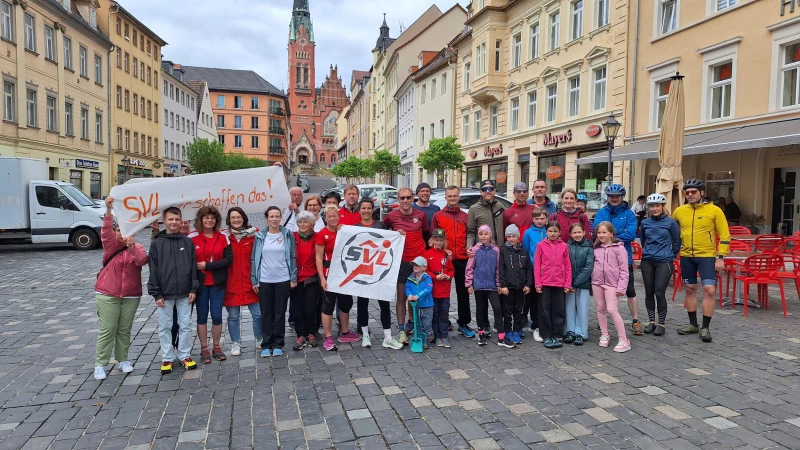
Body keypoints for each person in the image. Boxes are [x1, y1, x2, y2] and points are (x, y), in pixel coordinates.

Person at [93, 196, 148, 380]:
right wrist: (109, 210)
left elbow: (142, 261)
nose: (121, 234)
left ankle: (123, 360)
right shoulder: (111, 246)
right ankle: (100, 364)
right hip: (108, 294)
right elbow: (105, 231)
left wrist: (132, 247)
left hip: (131, 295)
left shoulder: (138, 247)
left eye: (125, 231)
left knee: (124, 329)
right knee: (108, 329)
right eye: (118, 230)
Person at [672, 179, 730, 343]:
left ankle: (705, 327)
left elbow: (725, 235)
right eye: (687, 192)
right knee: (690, 289)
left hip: (707, 256)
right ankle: (693, 324)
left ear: (702, 193)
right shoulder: (679, 211)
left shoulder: (715, 210)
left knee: (709, 290)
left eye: (693, 192)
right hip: (686, 256)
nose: (690, 195)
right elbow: (671, 231)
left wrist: (721, 257)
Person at [149, 207, 198, 374]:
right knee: (165, 326)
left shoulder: (188, 242)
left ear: (181, 220)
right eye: (170, 219)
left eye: (177, 219)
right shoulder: (157, 243)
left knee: (185, 325)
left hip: (185, 292)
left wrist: (193, 288)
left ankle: (184, 354)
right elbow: (153, 269)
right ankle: (167, 357)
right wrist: (156, 292)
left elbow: (193, 268)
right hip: (165, 293)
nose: (174, 222)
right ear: (165, 220)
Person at [384, 187, 431, 344]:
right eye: (402, 198)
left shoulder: (421, 215)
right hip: (401, 262)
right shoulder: (391, 217)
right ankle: (401, 329)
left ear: (413, 199)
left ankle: (417, 324)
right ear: (398, 199)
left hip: (418, 262)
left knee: (418, 296)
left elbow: (426, 235)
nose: (405, 200)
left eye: (408, 197)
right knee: (402, 296)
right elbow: (382, 235)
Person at [593, 184, 641, 335]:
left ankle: (635, 320)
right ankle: (605, 322)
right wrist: (619, 232)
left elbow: (631, 234)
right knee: (605, 290)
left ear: (622, 197)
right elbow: (597, 233)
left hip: (623, 258)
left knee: (630, 290)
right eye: (612, 196)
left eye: (617, 196)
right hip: (604, 260)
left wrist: (609, 236)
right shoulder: (601, 213)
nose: (614, 199)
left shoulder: (629, 214)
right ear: (608, 197)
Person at [355, 199, 403, 350]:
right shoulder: (354, 228)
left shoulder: (380, 225)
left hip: (380, 272)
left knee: (384, 304)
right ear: (359, 210)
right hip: (363, 272)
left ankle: (388, 337)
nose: (366, 211)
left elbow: (389, 241)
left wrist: (398, 235)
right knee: (362, 304)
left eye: (369, 208)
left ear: (372, 210)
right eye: (364, 208)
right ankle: (365, 335)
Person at [189, 206, 233, 364]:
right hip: (200, 285)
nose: (209, 220)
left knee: (217, 315)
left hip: (217, 283)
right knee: (201, 316)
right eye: (206, 217)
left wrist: (208, 266)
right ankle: (203, 348)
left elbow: (229, 259)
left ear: (216, 220)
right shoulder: (192, 237)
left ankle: (216, 346)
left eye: (212, 218)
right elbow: (188, 262)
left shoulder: (223, 237)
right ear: (201, 220)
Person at [431, 186, 475, 338]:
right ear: (445, 197)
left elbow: (471, 235)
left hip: (463, 259)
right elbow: (434, 239)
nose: (452, 198)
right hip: (445, 260)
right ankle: (441, 323)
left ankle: (463, 323)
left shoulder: (465, 216)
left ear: (459, 197)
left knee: (463, 293)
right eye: (449, 196)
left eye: (455, 196)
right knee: (442, 293)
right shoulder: (438, 215)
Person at [252, 206, 297, 358]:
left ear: (280, 218)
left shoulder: (287, 234)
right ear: (267, 218)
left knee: (279, 313)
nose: (275, 219)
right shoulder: (260, 236)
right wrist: (254, 279)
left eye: (277, 216)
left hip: (283, 279)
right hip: (265, 279)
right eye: (272, 216)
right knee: (266, 313)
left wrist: (293, 278)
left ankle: (278, 343)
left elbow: (292, 257)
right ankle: (266, 344)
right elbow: (254, 259)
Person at [317, 205, 361, 351]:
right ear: (325, 218)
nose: (332, 218)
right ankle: (328, 337)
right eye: (329, 216)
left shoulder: (344, 231)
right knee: (328, 305)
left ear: (338, 217)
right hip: (329, 274)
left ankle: (344, 332)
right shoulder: (322, 234)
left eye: (334, 216)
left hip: (344, 274)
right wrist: (322, 278)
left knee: (345, 303)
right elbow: (318, 257)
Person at [466, 225, 514, 348]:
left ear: (490, 235)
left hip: (492, 286)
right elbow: (470, 268)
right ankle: (481, 334)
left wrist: (498, 284)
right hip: (479, 285)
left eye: (485, 234)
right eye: (481, 234)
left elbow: (498, 268)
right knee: (481, 309)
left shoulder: (495, 250)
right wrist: (469, 284)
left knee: (497, 308)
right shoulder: (475, 250)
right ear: (478, 235)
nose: (483, 236)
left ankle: (501, 337)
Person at [640, 194, 680, 337]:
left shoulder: (671, 223)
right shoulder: (645, 223)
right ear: (649, 208)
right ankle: (651, 322)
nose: (654, 208)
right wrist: (648, 252)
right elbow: (643, 240)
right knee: (649, 292)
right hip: (647, 261)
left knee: (659, 292)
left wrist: (670, 255)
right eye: (652, 206)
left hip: (664, 261)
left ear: (663, 206)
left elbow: (677, 241)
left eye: (657, 205)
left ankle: (661, 324)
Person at [223, 207, 262, 356]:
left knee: (257, 314)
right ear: (229, 220)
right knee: (233, 316)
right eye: (233, 217)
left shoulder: (253, 235)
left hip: (250, 281)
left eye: (238, 217)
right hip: (231, 282)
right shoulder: (224, 236)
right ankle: (235, 343)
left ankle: (259, 337)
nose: (236, 220)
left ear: (244, 218)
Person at [592, 221, 632, 353]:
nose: (601, 235)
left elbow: (624, 270)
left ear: (611, 233)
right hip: (597, 282)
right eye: (599, 232)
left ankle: (624, 339)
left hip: (612, 284)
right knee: (600, 308)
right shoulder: (596, 248)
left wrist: (621, 287)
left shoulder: (619, 248)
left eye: (604, 232)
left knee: (612, 310)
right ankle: (604, 334)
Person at [534, 221, 571, 349]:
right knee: (545, 309)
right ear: (546, 232)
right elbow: (537, 265)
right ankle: (546, 335)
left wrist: (567, 283)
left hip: (559, 283)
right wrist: (538, 283)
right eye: (550, 231)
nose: (553, 233)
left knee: (558, 309)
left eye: (555, 231)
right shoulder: (541, 245)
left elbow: (567, 266)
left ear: (559, 232)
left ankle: (557, 334)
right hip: (544, 282)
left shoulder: (564, 246)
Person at [291, 211, 321, 350]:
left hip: (311, 278)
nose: (302, 224)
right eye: (300, 222)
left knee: (310, 309)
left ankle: (310, 333)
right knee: (297, 309)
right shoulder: (292, 237)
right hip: (295, 279)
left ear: (312, 223)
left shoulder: (317, 237)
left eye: (305, 221)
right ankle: (300, 335)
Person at [499, 224, 532, 346]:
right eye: (509, 236)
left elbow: (529, 269)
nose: (511, 239)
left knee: (518, 310)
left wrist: (528, 284)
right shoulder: (503, 251)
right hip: (508, 286)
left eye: (514, 236)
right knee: (507, 310)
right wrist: (503, 285)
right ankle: (508, 330)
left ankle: (517, 330)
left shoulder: (523, 251)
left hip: (520, 286)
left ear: (518, 237)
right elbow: (501, 269)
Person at [521, 208, 549, 342]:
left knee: (543, 298)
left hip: (547, 271)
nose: (539, 221)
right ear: (533, 219)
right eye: (537, 218)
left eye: (542, 218)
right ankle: (535, 322)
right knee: (533, 299)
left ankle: (543, 322)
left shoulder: (549, 232)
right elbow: (525, 251)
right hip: (532, 269)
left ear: (547, 219)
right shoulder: (528, 233)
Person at [424, 228, 455, 348]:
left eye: (441, 240)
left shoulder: (446, 254)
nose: (439, 242)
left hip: (445, 290)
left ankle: (444, 336)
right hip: (433, 289)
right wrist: (435, 276)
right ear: (432, 240)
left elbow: (452, 270)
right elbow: (425, 271)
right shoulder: (427, 254)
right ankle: (437, 335)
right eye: (436, 240)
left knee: (444, 313)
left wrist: (449, 276)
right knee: (435, 314)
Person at [565, 223, 593, 346]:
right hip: (569, 283)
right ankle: (570, 330)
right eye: (574, 232)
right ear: (570, 234)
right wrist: (569, 282)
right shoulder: (566, 246)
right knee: (569, 308)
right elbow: (565, 265)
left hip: (583, 283)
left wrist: (576, 282)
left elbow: (588, 267)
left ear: (584, 232)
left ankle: (581, 333)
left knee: (582, 308)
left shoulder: (589, 247)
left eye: (579, 232)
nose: (577, 235)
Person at [405, 256, 434, 349]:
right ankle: (417, 337)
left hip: (426, 304)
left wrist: (418, 295)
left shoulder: (427, 278)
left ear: (424, 267)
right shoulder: (410, 277)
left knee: (426, 323)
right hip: (415, 305)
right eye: (414, 264)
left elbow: (428, 289)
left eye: (417, 264)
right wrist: (409, 295)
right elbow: (407, 287)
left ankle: (426, 339)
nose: (415, 266)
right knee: (416, 322)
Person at [467, 179, 506, 248]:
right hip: (483, 250)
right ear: (481, 192)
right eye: (484, 189)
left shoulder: (500, 207)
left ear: (494, 191)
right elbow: (470, 232)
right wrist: (469, 247)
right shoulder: (474, 209)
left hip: (501, 250)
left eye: (490, 189)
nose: (488, 191)